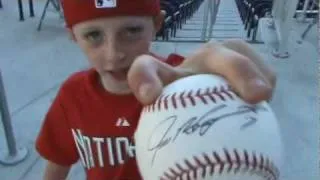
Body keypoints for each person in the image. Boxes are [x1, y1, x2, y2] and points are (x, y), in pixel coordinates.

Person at [35, 0, 276, 179]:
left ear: (157, 24)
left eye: (132, 31)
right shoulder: (73, 95)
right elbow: (57, 163)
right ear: (73, 36)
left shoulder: (189, 87)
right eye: (93, 35)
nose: (114, 54)